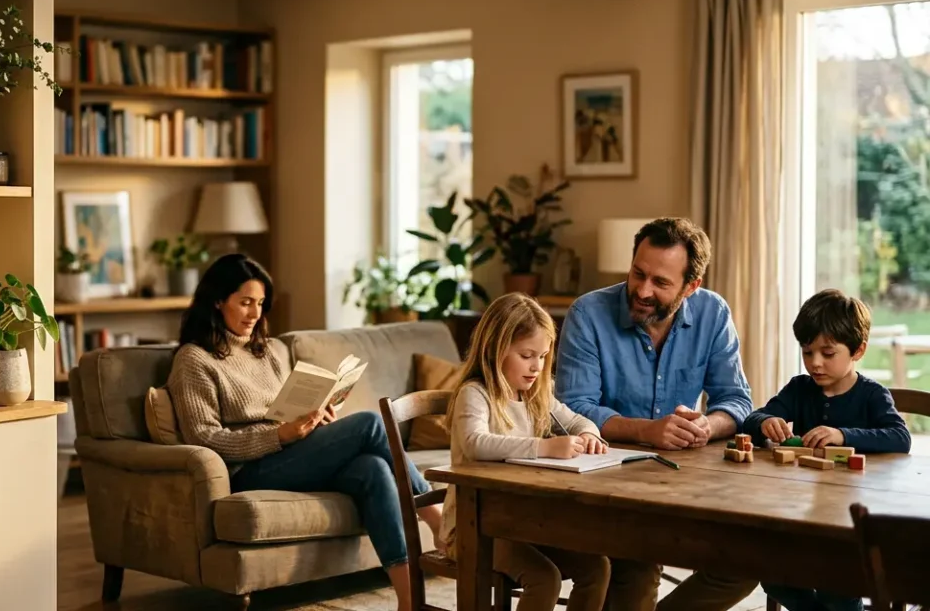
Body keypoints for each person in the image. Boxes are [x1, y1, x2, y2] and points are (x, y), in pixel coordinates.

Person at [166, 253, 443, 611]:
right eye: (245, 302)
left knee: (373, 469)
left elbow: (284, 410)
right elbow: (204, 437)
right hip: (248, 469)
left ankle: (409, 601)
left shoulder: (265, 352)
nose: (254, 313)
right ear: (218, 300)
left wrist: (313, 418)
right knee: (371, 424)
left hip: (291, 455)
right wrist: (279, 436)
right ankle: (435, 516)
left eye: (260, 303)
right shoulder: (193, 360)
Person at [554, 217, 758, 611]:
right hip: (606, 483)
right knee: (637, 569)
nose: (643, 290)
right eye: (638, 274)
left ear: (691, 286)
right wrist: (647, 431)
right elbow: (571, 408)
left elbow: (736, 400)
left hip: (687, 480)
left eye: (660, 282)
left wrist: (707, 425)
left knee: (748, 558)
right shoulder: (588, 313)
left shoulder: (713, 313)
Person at [439, 293, 612, 611]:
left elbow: (578, 421)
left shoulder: (535, 396)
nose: (537, 366)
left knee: (596, 568)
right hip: (472, 528)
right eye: (526, 355)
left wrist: (589, 434)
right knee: (544, 579)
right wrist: (544, 447)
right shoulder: (475, 394)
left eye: (543, 356)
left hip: (522, 523)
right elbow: (476, 442)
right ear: (496, 349)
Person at [743, 288, 911, 611]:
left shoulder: (873, 395)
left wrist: (842, 435)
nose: (815, 363)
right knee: (773, 576)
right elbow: (753, 418)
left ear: (858, 350)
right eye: (807, 352)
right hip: (802, 515)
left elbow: (899, 437)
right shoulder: (799, 389)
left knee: (838, 587)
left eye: (828, 353)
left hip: (855, 522)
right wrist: (766, 422)